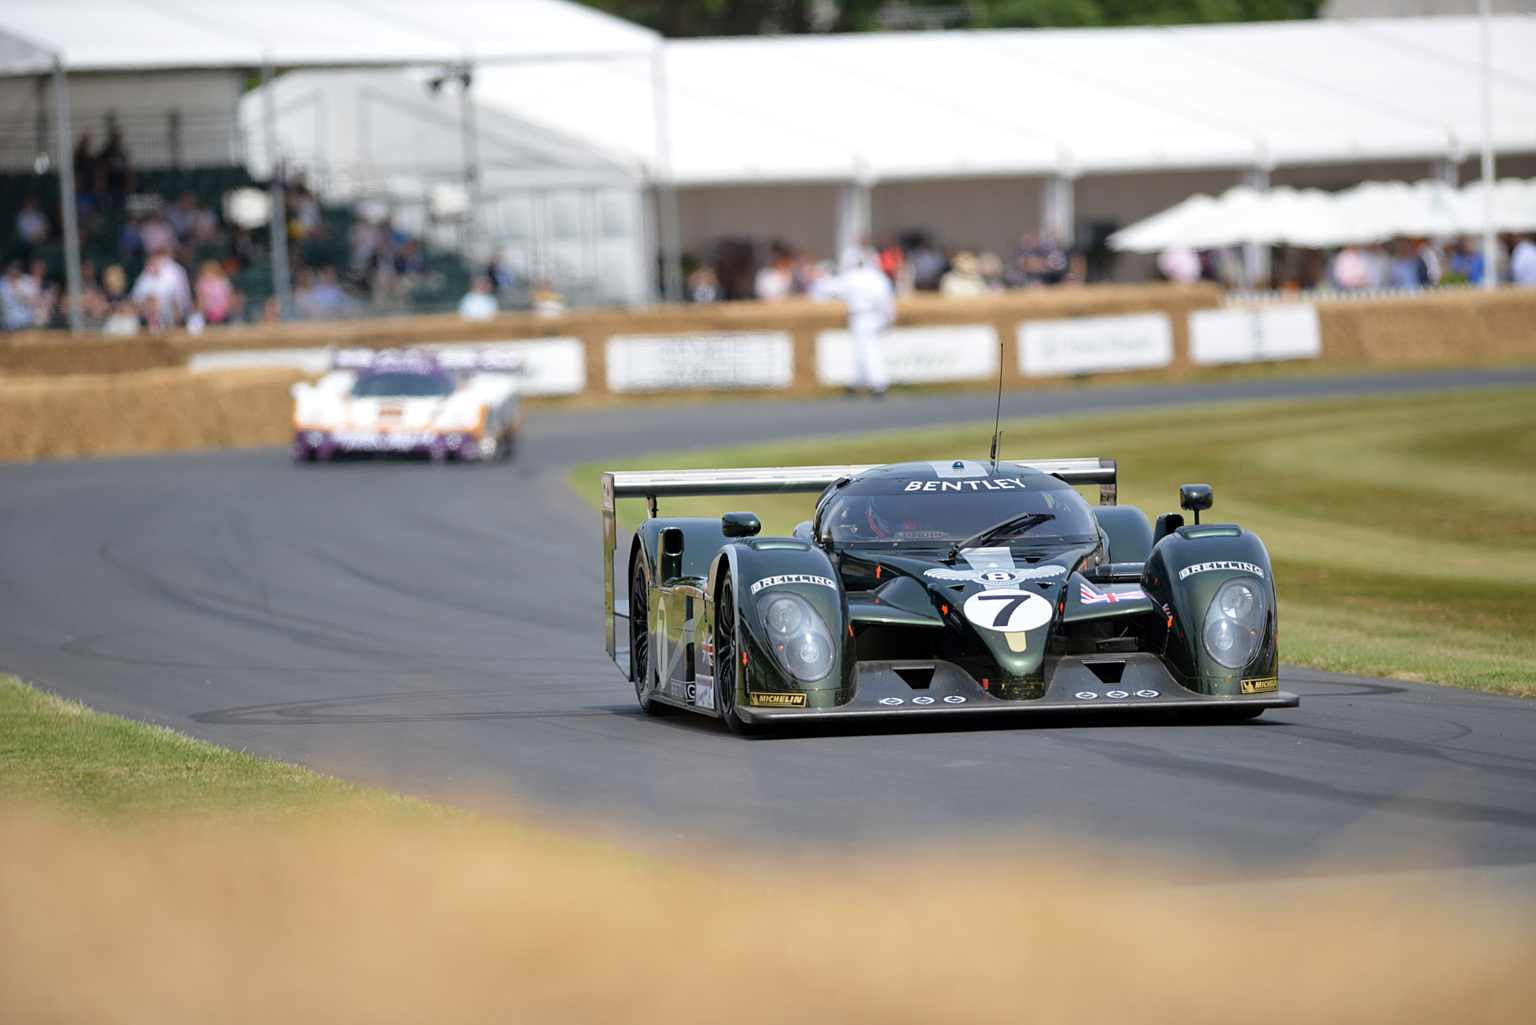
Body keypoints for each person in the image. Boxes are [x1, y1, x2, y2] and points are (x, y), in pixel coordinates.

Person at [822, 248, 894, 397]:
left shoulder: (852, 278)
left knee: (868, 350)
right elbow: (886, 302)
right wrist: (888, 319)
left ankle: (878, 383)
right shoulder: (877, 277)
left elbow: (828, 289)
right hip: (876, 317)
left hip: (861, 318)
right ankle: (856, 383)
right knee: (865, 350)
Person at [130, 248, 191, 329]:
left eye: (157, 262)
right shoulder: (144, 278)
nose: (154, 265)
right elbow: (136, 298)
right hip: (147, 316)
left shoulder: (169, 278)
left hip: (168, 315)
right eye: (152, 263)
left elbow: (177, 299)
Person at [194, 260, 237, 325]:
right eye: (208, 272)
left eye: (212, 272)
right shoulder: (202, 284)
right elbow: (200, 301)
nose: (210, 275)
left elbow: (230, 297)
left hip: (224, 314)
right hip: (207, 315)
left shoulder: (223, 282)